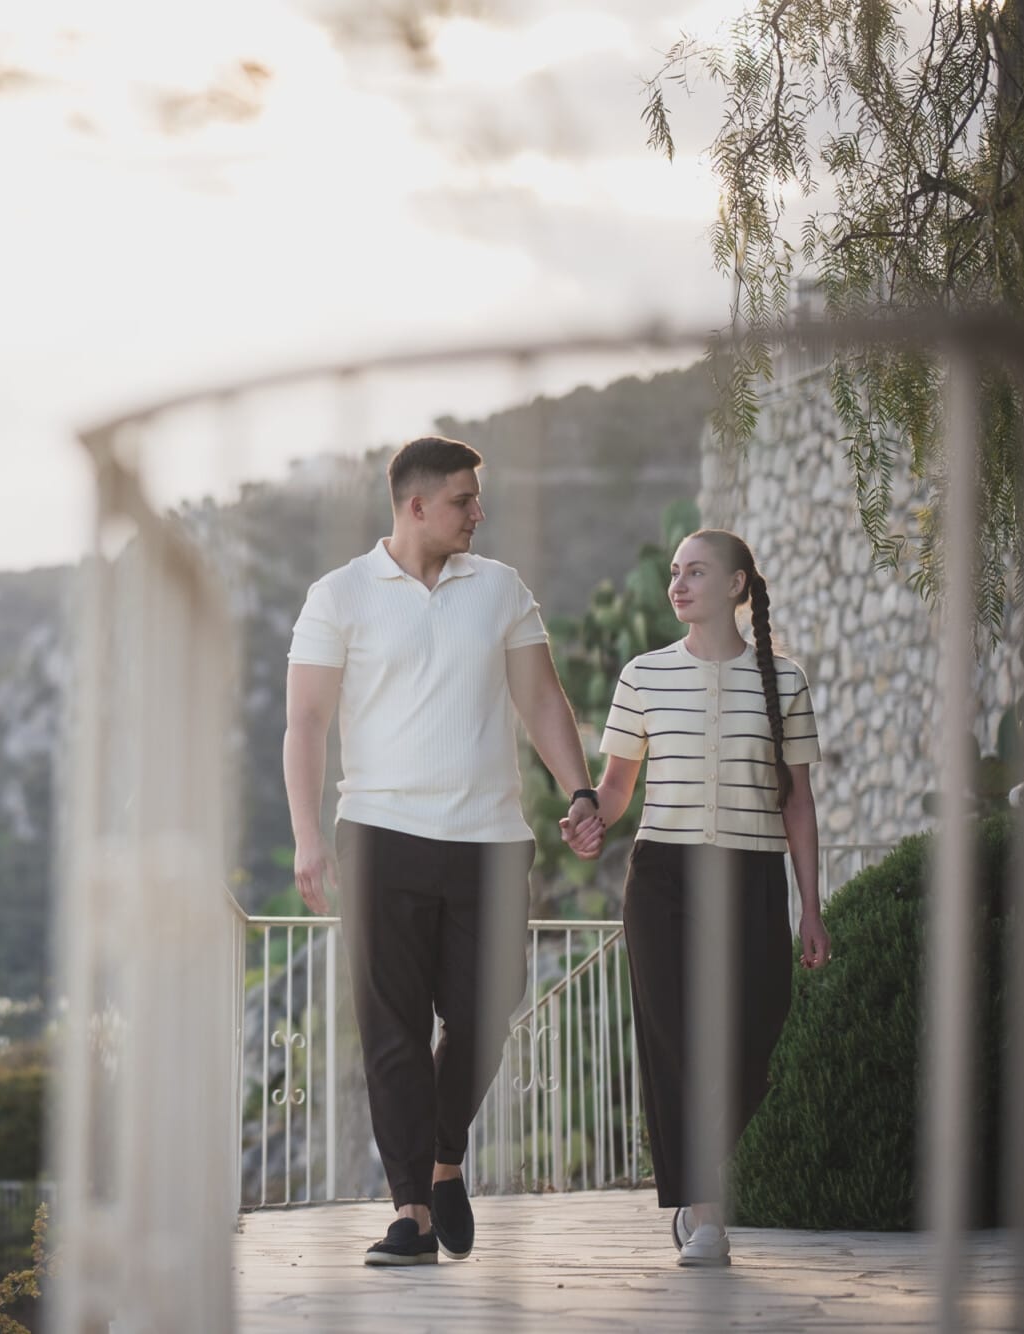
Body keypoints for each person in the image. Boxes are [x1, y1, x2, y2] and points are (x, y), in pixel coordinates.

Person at [284, 436, 602, 1268]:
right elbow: (306, 723)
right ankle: (412, 1215)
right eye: (463, 500)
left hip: (492, 842)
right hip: (380, 837)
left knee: (484, 1019)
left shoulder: (500, 589)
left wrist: (579, 790)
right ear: (415, 505)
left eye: (479, 498)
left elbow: (541, 698)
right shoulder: (339, 595)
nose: (478, 512)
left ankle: (445, 1162)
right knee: (391, 1032)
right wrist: (309, 837)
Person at [572, 528, 828, 1267]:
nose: (678, 584)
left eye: (696, 572)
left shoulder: (786, 681)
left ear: (738, 585)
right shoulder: (643, 675)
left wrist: (810, 906)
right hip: (663, 880)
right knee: (677, 1039)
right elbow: (619, 786)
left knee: (757, 1030)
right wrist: (592, 815)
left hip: (751, 875)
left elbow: (798, 804)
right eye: (674, 573)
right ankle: (704, 1203)